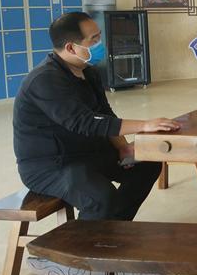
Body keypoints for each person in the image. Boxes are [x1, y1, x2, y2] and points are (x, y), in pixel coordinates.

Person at [13, 12, 181, 221]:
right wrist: (144, 125)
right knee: (99, 197)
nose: (100, 44)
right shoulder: (44, 80)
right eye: (94, 40)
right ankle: (87, 240)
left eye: (99, 36)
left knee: (148, 162)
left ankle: (114, 226)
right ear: (71, 48)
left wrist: (123, 148)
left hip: (88, 153)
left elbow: (104, 113)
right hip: (51, 165)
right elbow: (84, 122)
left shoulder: (88, 72)